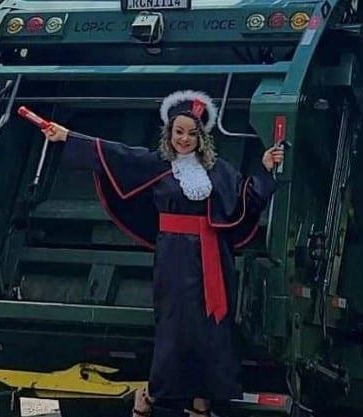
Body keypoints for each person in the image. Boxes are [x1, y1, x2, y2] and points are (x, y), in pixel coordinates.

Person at [41, 90, 284, 417]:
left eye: (192, 133)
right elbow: (117, 154)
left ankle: (203, 400)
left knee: (212, 328)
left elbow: (246, 198)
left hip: (213, 257)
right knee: (176, 326)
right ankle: (154, 396)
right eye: (179, 131)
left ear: (202, 137)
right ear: (169, 133)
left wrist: (266, 168)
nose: (184, 139)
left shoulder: (220, 171)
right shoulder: (156, 165)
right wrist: (68, 136)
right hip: (174, 258)